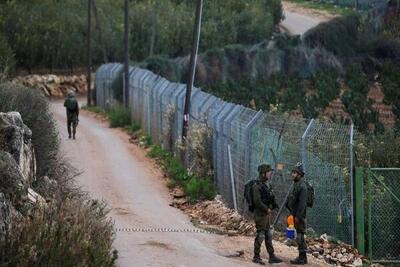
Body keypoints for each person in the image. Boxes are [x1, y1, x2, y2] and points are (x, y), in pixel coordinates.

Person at [252, 164, 282, 265]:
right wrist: (266, 209)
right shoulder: (256, 186)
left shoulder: (266, 185)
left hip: (266, 214)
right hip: (260, 214)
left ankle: (272, 256)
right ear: (263, 173)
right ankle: (256, 256)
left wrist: (273, 206)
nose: (270, 174)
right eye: (269, 172)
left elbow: (269, 197)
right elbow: (257, 201)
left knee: (268, 235)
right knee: (260, 234)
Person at [286, 162, 308, 265]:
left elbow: (302, 204)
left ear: (300, 174)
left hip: (299, 216)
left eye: (295, 173)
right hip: (294, 214)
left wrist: (298, 217)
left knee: (300, 236)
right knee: (297, 235)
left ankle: (302, 257)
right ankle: (302, 257)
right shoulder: (296, 185)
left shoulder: (302, 187)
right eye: (293, 172)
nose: (293, 174)